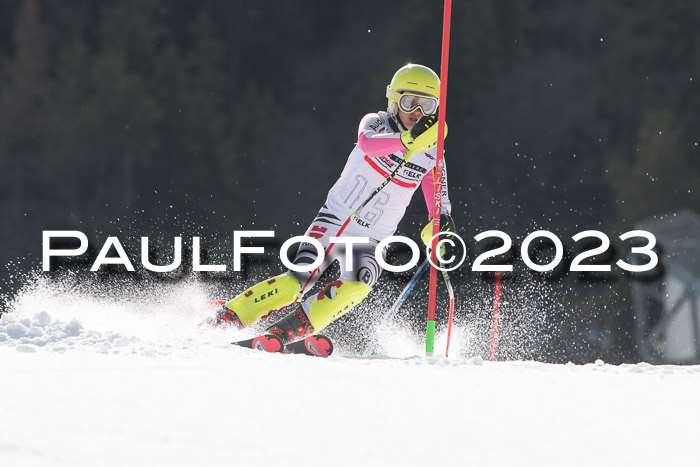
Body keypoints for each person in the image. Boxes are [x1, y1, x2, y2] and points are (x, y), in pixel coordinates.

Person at [214, 63, 455, 350]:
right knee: (299, 280)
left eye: (426, 105)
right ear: (393, 101)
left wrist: (440, 229)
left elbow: (438, 206)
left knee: (359, 284)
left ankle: (285, 333)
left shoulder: (433, 155)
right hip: (339, 218)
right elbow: (368, 145)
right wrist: (407, 141)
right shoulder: (377, 123)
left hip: (373, 236)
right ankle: (230, 315)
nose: (417, 112)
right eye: (409, 102)